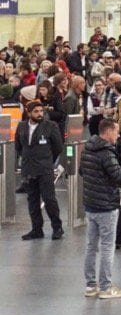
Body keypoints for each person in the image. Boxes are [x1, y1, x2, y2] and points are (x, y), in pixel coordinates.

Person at [80, 119, 121, 299]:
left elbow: (82, 171)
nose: (119, 135)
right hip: (106, 206)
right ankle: (106, 287)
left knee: (91, 246)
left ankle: (91, 286)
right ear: (108, 132)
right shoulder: (107, 154)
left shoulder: (87, 149)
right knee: (107, 247)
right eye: (116, 131)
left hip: (90, 205)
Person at [17, 101, 63, 240]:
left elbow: (58, 147)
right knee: (32, 200)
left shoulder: (50, 126)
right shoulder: (21, 126)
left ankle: (57, 227)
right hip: (28, 168)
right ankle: (37, 229)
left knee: (49, 199)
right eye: (36, 111)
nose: (39, 114)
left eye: (41, 111)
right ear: (29, 112)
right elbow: (19, 147)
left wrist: (47, 160)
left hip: (44, 169)